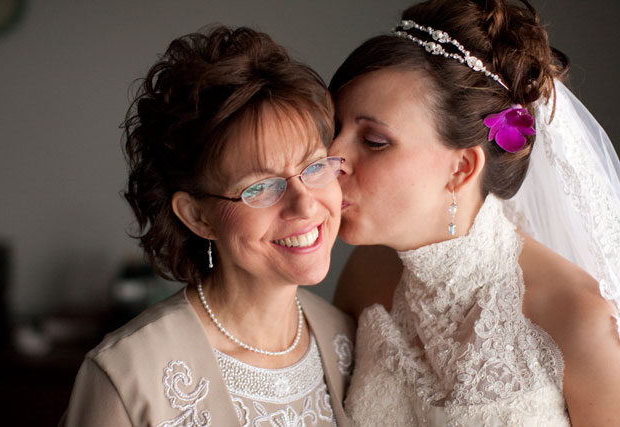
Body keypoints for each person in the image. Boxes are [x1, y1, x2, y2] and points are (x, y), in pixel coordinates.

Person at [327, 0, 620, 425]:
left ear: (461, 168)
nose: (332, 158)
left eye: (373, 141)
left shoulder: (575, 319)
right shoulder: (366, 276)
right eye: (334, 131)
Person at [60, 26, 355, 427]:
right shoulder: (126, 374)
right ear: (198, 216)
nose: (305, 203)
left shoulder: (350, 340)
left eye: (315, 167)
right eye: (261, 186)